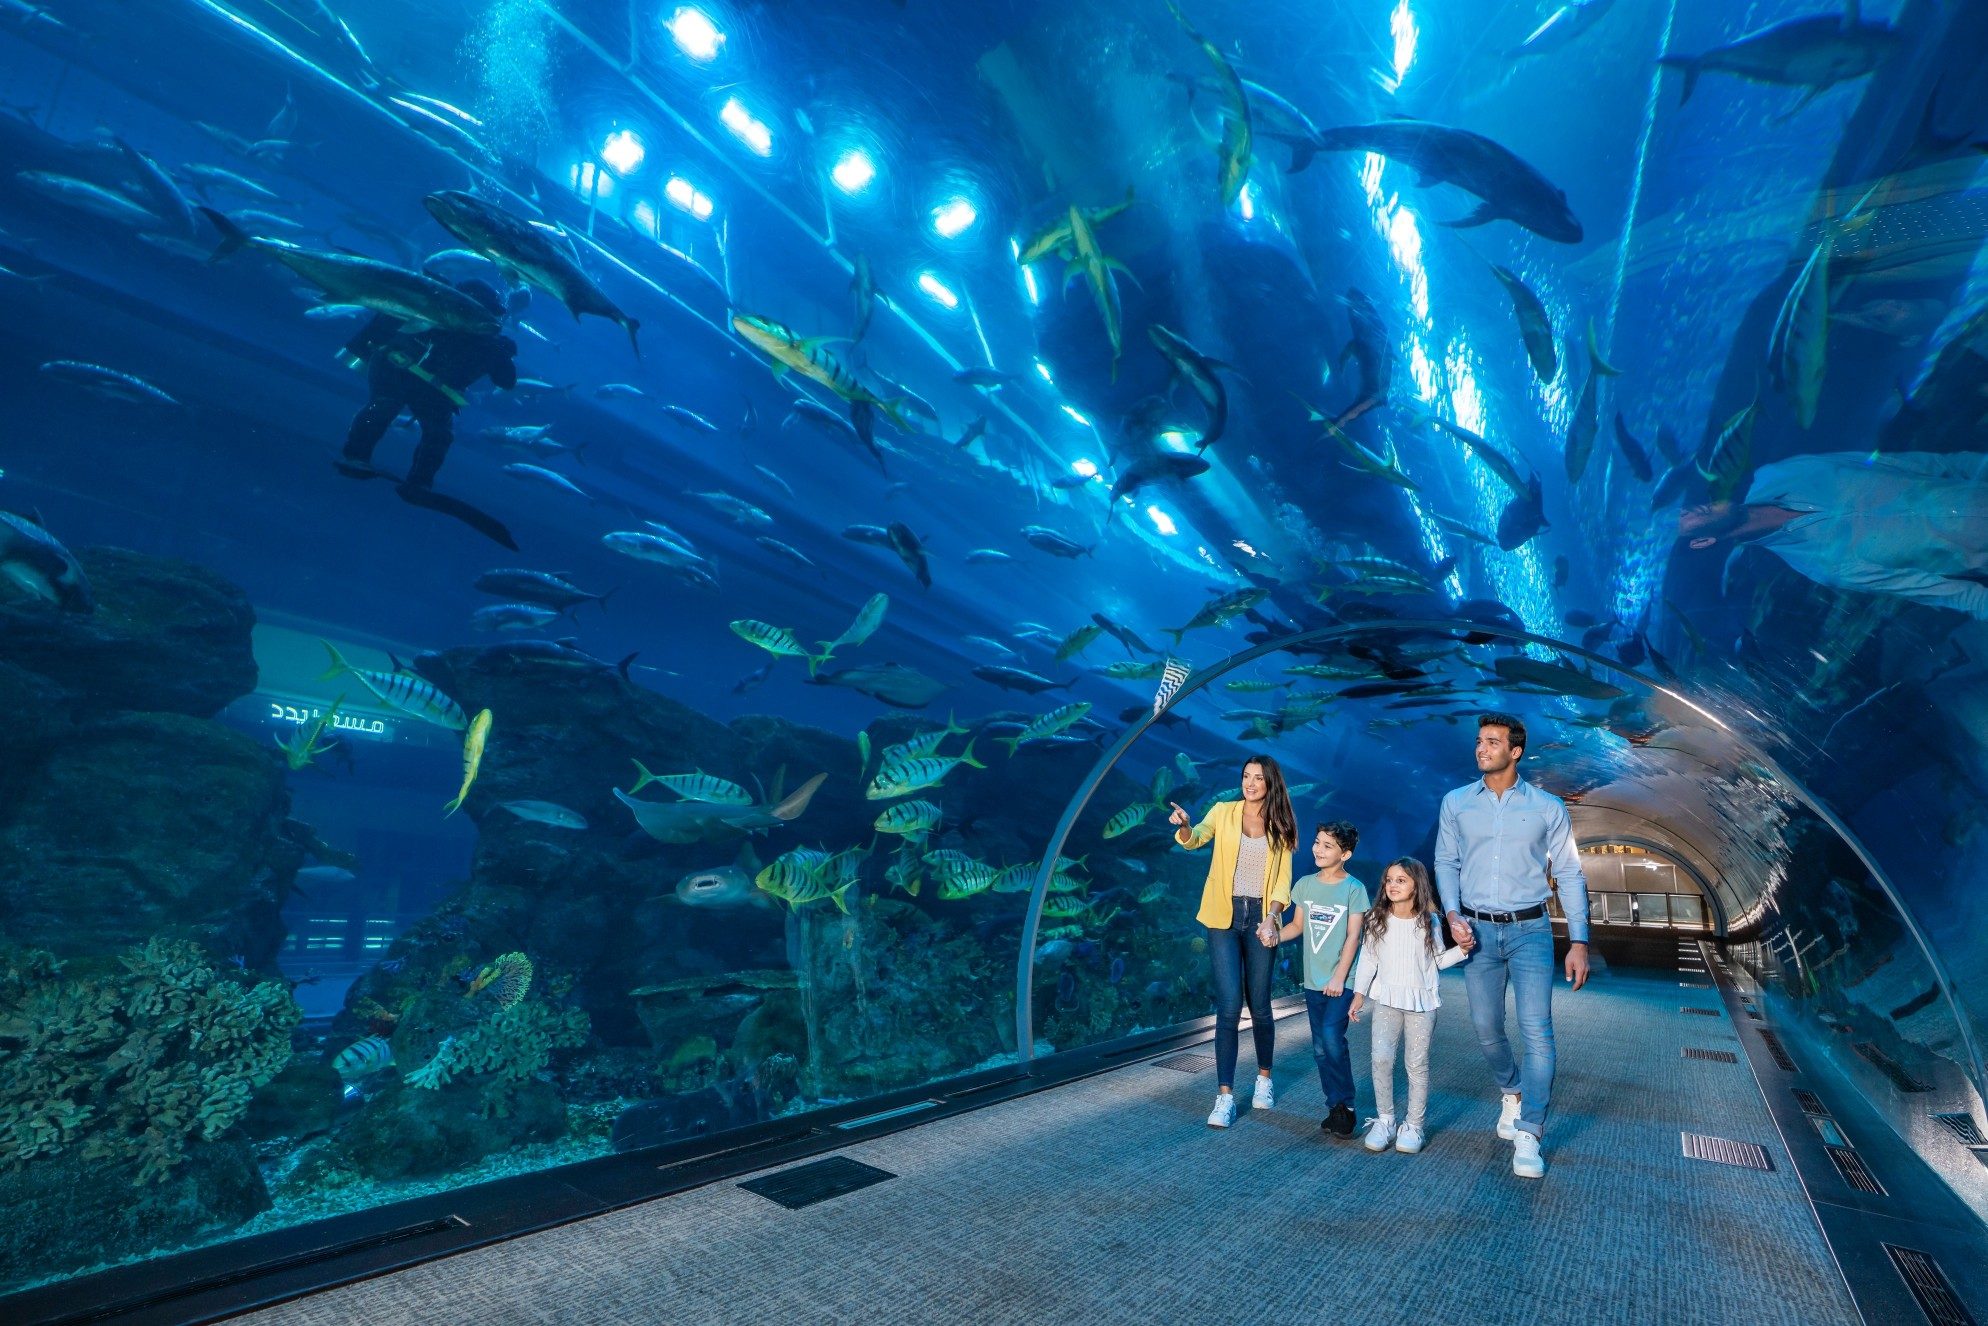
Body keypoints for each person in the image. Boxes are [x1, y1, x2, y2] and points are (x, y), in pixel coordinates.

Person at [1434, 712, 1590, 1179]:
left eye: (1492, 742)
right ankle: (1512, 1090)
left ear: (1515, 751)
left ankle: (1530, 1129)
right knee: (1485, 1027)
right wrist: (1452, 914)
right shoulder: (1456, 802)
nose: (1482, 748)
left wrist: (1579, 940)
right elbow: (1446, 861)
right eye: (1479, 741)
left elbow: (1568, 873)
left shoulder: (1548, 807)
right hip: (1476, 932)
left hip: (1531, 931)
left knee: (1536, 1030)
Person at [1677, 451, 1988, 618]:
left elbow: (1921, 463)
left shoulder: (1783, 471)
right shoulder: (1825, 565)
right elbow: (1953, 593)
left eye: (1684, 506)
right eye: (1680, 519)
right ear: (1703, 542)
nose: (1685, 509)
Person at [1169, 754, 1299, 1129]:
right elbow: (1194, 841)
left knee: (1259, 1005)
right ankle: (1224, 1096)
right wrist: (1185, 826)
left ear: (1270, 783)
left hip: (1261, 918)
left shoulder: (1282, 823)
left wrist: (1273, 918)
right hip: (1222, 917)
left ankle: (1263, 1078)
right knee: (1228, 1007)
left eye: (1258, 778)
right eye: (1246, 776)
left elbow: (1281, 882)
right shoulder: (1223, 811)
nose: (1250, 783)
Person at [335, 278, 518, 493]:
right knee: (384, 406)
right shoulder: (427, 312)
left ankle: (420, 482)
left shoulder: (488, 343)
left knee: (439, 434)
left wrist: (502, 355)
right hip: (397, 371)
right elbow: (382, 326)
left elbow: (506, 381)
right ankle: (356, 456)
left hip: (433, 389)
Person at [1348, 857, 1460, 1155]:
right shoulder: (1376, 919)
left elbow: (1438, 960)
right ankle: (1385, 1120)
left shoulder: (1429, 921)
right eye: (1389, 879)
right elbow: (1368, 958)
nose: (1393, 885)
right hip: (1386, 1001)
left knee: (1416, 1064)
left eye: (1401, 880)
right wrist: (1359, 994)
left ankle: (1414, 1125)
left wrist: (1462, 950)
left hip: (1421, 1004)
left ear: (1417, 885)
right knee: (1381, 1059)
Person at [1271, 820, 1367, 1139]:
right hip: (1313, 982)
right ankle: (1334, 1106)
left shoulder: (1354, 889)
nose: (1318, 849)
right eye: (1317, 842)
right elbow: (1296, 926)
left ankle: (1347, 1106)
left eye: (1328, 846)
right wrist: (1275, 936)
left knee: (1330, 1038)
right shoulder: (1305, 885)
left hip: (1341, 980)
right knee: (1319, 1048)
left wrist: (1340, 976)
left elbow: (1354, 935)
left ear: (1346, 854)